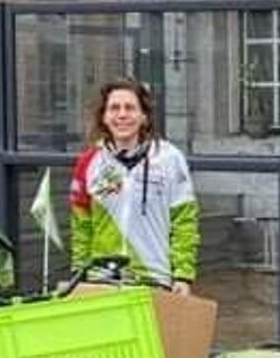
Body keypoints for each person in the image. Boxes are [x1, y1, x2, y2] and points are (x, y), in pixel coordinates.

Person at [69, 79, 198, 293]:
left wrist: (183, 275)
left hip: (154, 278)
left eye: (130, 108)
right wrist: (78, 273)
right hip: (102, 279)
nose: (122, 115)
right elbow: (81, 226)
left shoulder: (170, 159)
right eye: (114, 108)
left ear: (144, 116)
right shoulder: (88, 162)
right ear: (104, 117)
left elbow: (184, 222)